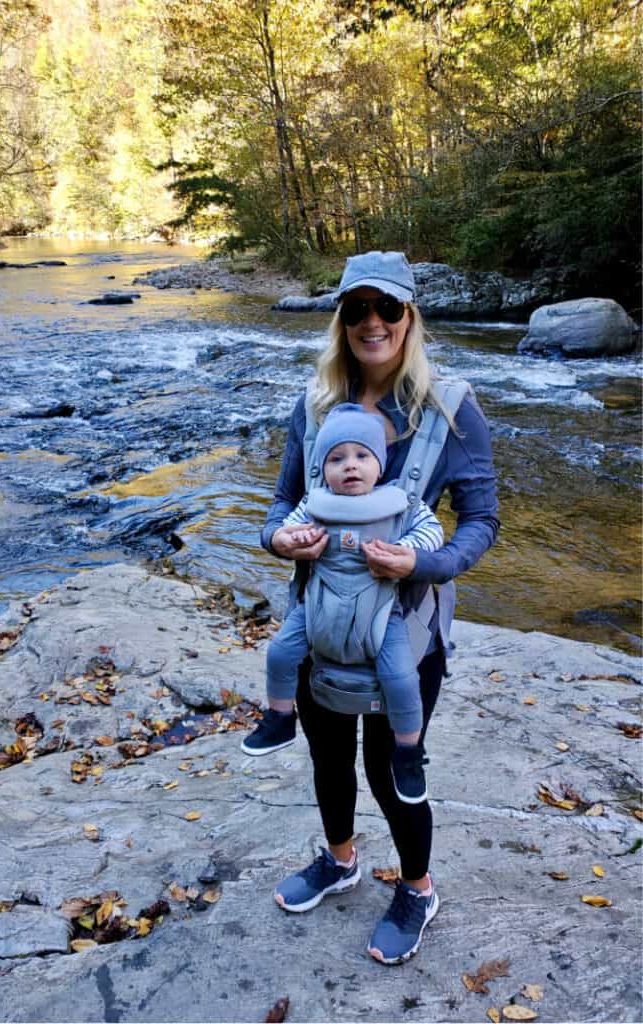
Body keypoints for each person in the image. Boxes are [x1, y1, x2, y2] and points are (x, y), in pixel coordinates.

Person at [260, 250, 499, 965]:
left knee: (391, 770)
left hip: (406, 630)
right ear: (341, 319)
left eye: (387, 308)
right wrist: (278, 539)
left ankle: (418, 889)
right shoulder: (313, 405)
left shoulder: (452, 408)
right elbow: (279, 502)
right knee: (328, 758)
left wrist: (425, 562)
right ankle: (340, 860)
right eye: (357, 309)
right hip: (323, 620)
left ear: (409, 316)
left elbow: (482, 519)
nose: (372, 323)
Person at [241, 402, 445, 805]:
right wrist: (292, 539)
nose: (350, 466)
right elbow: (287, 528)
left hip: (382, 609)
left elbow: (433, 531)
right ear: (323, 468)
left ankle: (408, 751)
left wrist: (405, 551)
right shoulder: (314, 502)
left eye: (361, 456)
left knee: (403, 678)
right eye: (337, 458)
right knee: (281, 651)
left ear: (379, 464)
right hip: (319, 602)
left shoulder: (400, 502)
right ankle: (280, 717)